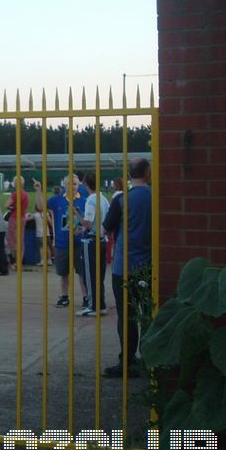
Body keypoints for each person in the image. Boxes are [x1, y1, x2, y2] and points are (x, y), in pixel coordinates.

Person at [103, 159, 152, 378]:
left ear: (130, 175)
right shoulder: (156, 197)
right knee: (149, 314)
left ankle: (128, 361)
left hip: (123, 268)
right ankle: (150, 360)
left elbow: (106, 228)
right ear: (148, 172)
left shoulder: (123, 199)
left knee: (127, 316)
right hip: (149, 267)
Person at [48, 174, 87, 308]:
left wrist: (81, 229)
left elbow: (89, 221)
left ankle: (86, 297)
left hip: (79, 242)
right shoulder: (57, 200)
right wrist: (38, 191)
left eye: (75, 184)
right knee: (63, 272)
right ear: (64, 185)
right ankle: (64, 296)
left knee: (82, 272)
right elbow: (41, 206)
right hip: (62, 242)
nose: (72, 186)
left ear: (79, 185)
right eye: (69, 184)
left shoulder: (84, 200)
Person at [76, 173, 109, 316]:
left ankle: (92, 305)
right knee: (100, 275)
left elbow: (88, 223)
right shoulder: (104, 199)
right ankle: (100, 303)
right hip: (102, 240)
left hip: (91, 241)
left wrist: (76, 214)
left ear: (86, 185)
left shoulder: (90, 200)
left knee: (89, 274)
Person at [5, 176, 30, 270]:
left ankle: (14, 261)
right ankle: (19, 263)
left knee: (12, 241)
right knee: (21, 241)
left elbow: (7, 205)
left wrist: (12, 207)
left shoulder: (15, 194)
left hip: (14, 218)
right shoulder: (26, 194)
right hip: (22, 218)